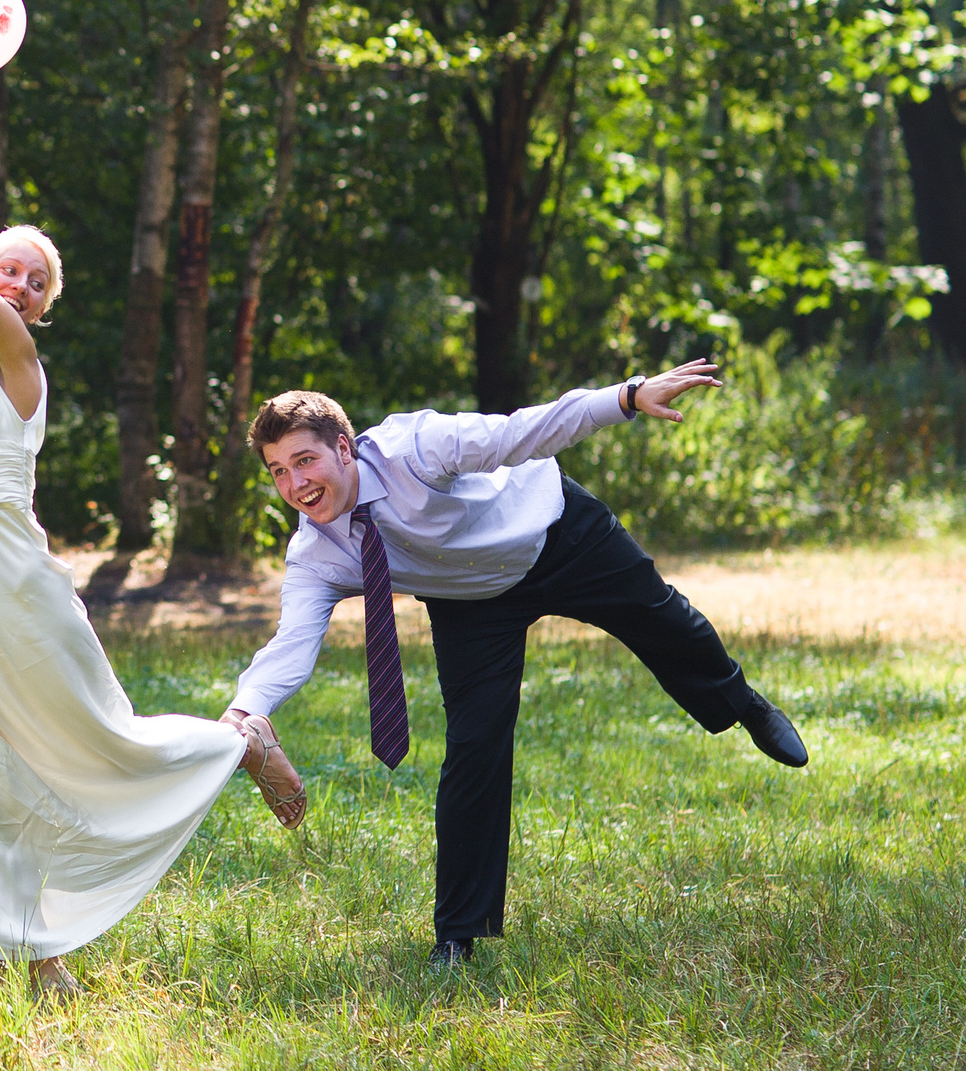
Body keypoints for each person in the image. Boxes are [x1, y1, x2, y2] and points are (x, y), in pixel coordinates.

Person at [0, 81, 306, 997]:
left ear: (38, 307)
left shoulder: (18, 354)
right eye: (7, 267)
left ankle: (238, 742)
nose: (17, 282)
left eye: (34, 280)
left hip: (11, 590)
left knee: (86, 745)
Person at [225, 374, 810, 967]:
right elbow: (291, 644)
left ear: (344, 448)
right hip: (471, 599)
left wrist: (627, 398)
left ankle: (743, 703)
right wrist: (245, 713)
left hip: (555, 533)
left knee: (666, 623)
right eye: (278, 471)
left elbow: (522, 433)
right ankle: (457, 933)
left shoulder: (418, 448)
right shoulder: (317, 552)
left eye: (305, 460)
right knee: (474, 749)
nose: (296, 484)